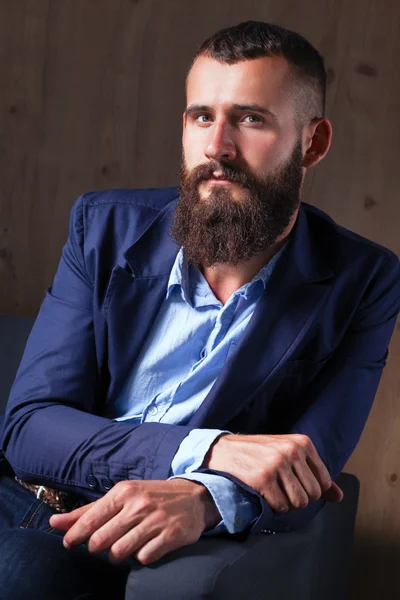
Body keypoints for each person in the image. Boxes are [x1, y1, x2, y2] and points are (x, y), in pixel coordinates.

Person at [0, 19, 399, 599]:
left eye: (251, 118)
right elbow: (29, 426)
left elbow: (314, 466)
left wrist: (207, 496)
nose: (217, 147)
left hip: (110, 538)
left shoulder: (364, 281)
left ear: (313, 143)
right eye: (201, 117)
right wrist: (211, 449)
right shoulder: (103, 227)